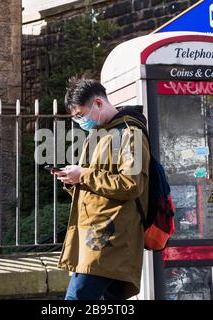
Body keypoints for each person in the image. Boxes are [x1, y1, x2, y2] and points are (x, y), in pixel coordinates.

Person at [53, 77, 150, 300]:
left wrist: (83, 175)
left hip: (108, 239)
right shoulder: (97, 134)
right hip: (97, 234)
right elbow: (95, 184)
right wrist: (73, 179)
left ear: (98, 103)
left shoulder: (130, 133)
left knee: (76, 298)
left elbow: (131, 184)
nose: (80, 121)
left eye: (80, 115)